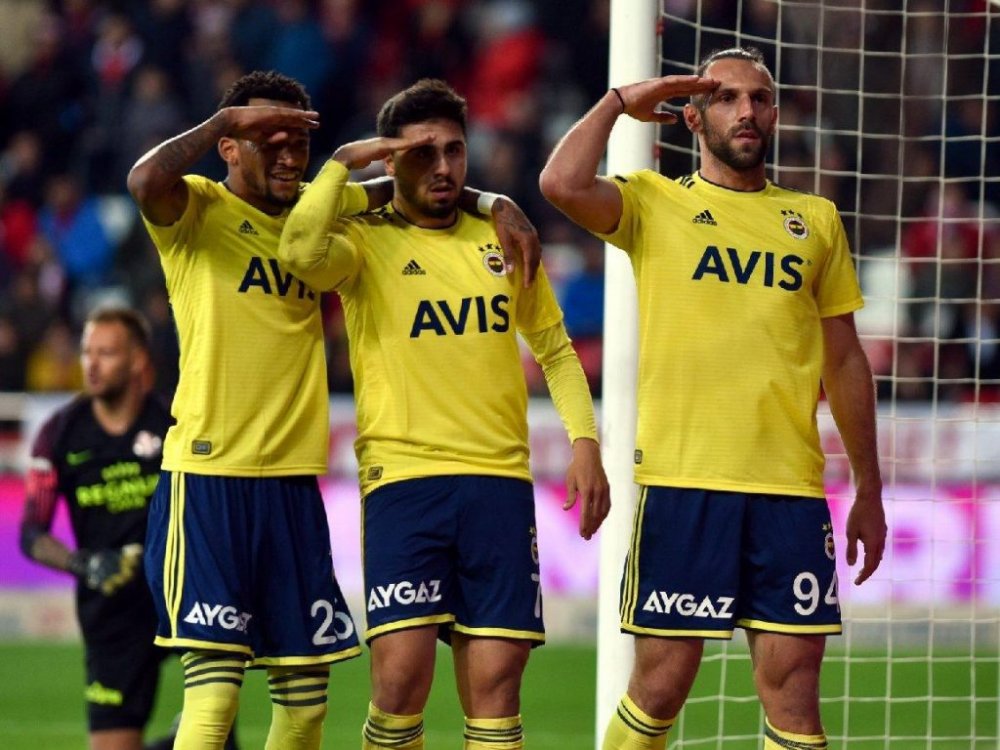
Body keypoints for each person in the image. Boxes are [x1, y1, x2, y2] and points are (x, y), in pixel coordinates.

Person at [125, 70, 543, 750]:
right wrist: (224, 121)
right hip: (209, 478)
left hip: (294, 488)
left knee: (305, 711)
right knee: (215, 699)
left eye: (299, 142)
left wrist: (493, 198)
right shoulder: (197, 208)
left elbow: (404, 186)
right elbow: (144, 181)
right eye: (270, 140)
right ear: (230, 147)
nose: (290, 156)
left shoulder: (320, 217)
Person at [538, 47, 887, 750]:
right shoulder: (653, 202)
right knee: (660, 686)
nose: (746, 111)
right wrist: (618, 103)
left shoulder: (815, 220)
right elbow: (560, 183)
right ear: (693, 118)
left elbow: (845, 360)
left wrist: (869, 488)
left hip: (789, 490)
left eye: (758, 98)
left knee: (796, 697)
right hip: (684, 483)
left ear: (776, 114)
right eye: (726, 98)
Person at [277, 78, 611, 750]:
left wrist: (585, 443)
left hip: (498, 486)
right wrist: (345, 165)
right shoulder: (363, 243)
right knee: (399, 684)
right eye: (422, 153)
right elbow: (297, 250)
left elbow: (554, 350)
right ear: (390, 159)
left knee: (497, 691)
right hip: (404, 483)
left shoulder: (504, 240)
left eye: (454, 151)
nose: (443, 166)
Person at [19, 306, 174, 750]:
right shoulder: (59, 433)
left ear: (138, 360)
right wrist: (84, 564)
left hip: (180, 599)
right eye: (87, 352)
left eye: (106, 353)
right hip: (111, 611)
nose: (91, 363)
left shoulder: (174, 424)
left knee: (215, 727)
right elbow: (31, 534)